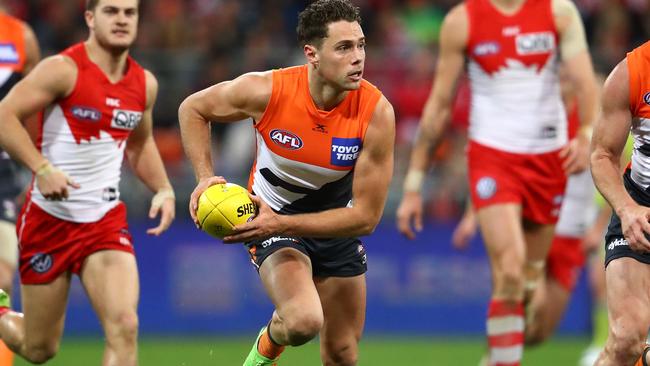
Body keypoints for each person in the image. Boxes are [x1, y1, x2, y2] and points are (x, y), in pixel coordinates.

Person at [178, 1, 394, 365]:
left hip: (333, 225)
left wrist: (284, 223)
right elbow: (193, 109)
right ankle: (264, 351)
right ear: (312, 53)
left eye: (361, 45)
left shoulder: (376, 112)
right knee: (302, 321)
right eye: (344, 47)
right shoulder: (268, 91)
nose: (358, 57)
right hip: (270, 216)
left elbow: (366, 219)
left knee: (343, 353)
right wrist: (204, 176)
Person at [396, 0, 598, 364]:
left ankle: (496, 358)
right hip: (492, 157)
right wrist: (413, 183)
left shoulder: (558, 13)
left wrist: (585, 134)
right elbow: (440, 104)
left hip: (548, 163)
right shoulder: (463, 21)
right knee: (509, 270)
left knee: (526, 294)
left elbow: (586, 83)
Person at [0, 0, 176, 365]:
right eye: (111, 11)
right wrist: (42, 169)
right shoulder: (62, 70)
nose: (122, 19)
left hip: (104, 221)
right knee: (38, 349)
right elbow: (4, 116)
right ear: (90, 19)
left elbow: (139, 143)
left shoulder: (144, 83)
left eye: (130, 12)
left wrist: (163, 188)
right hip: (49, 221)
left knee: (125, 325)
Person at [590, 40, 650, 366]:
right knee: (626, 341)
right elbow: (602, 154)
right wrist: (626, 209)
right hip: (640, 209)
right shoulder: (632, 72)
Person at [0, 4, 40, 366]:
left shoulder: (20, 36)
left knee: (1, 283)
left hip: (2, 170)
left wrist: (38, 164)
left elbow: (37, 106)